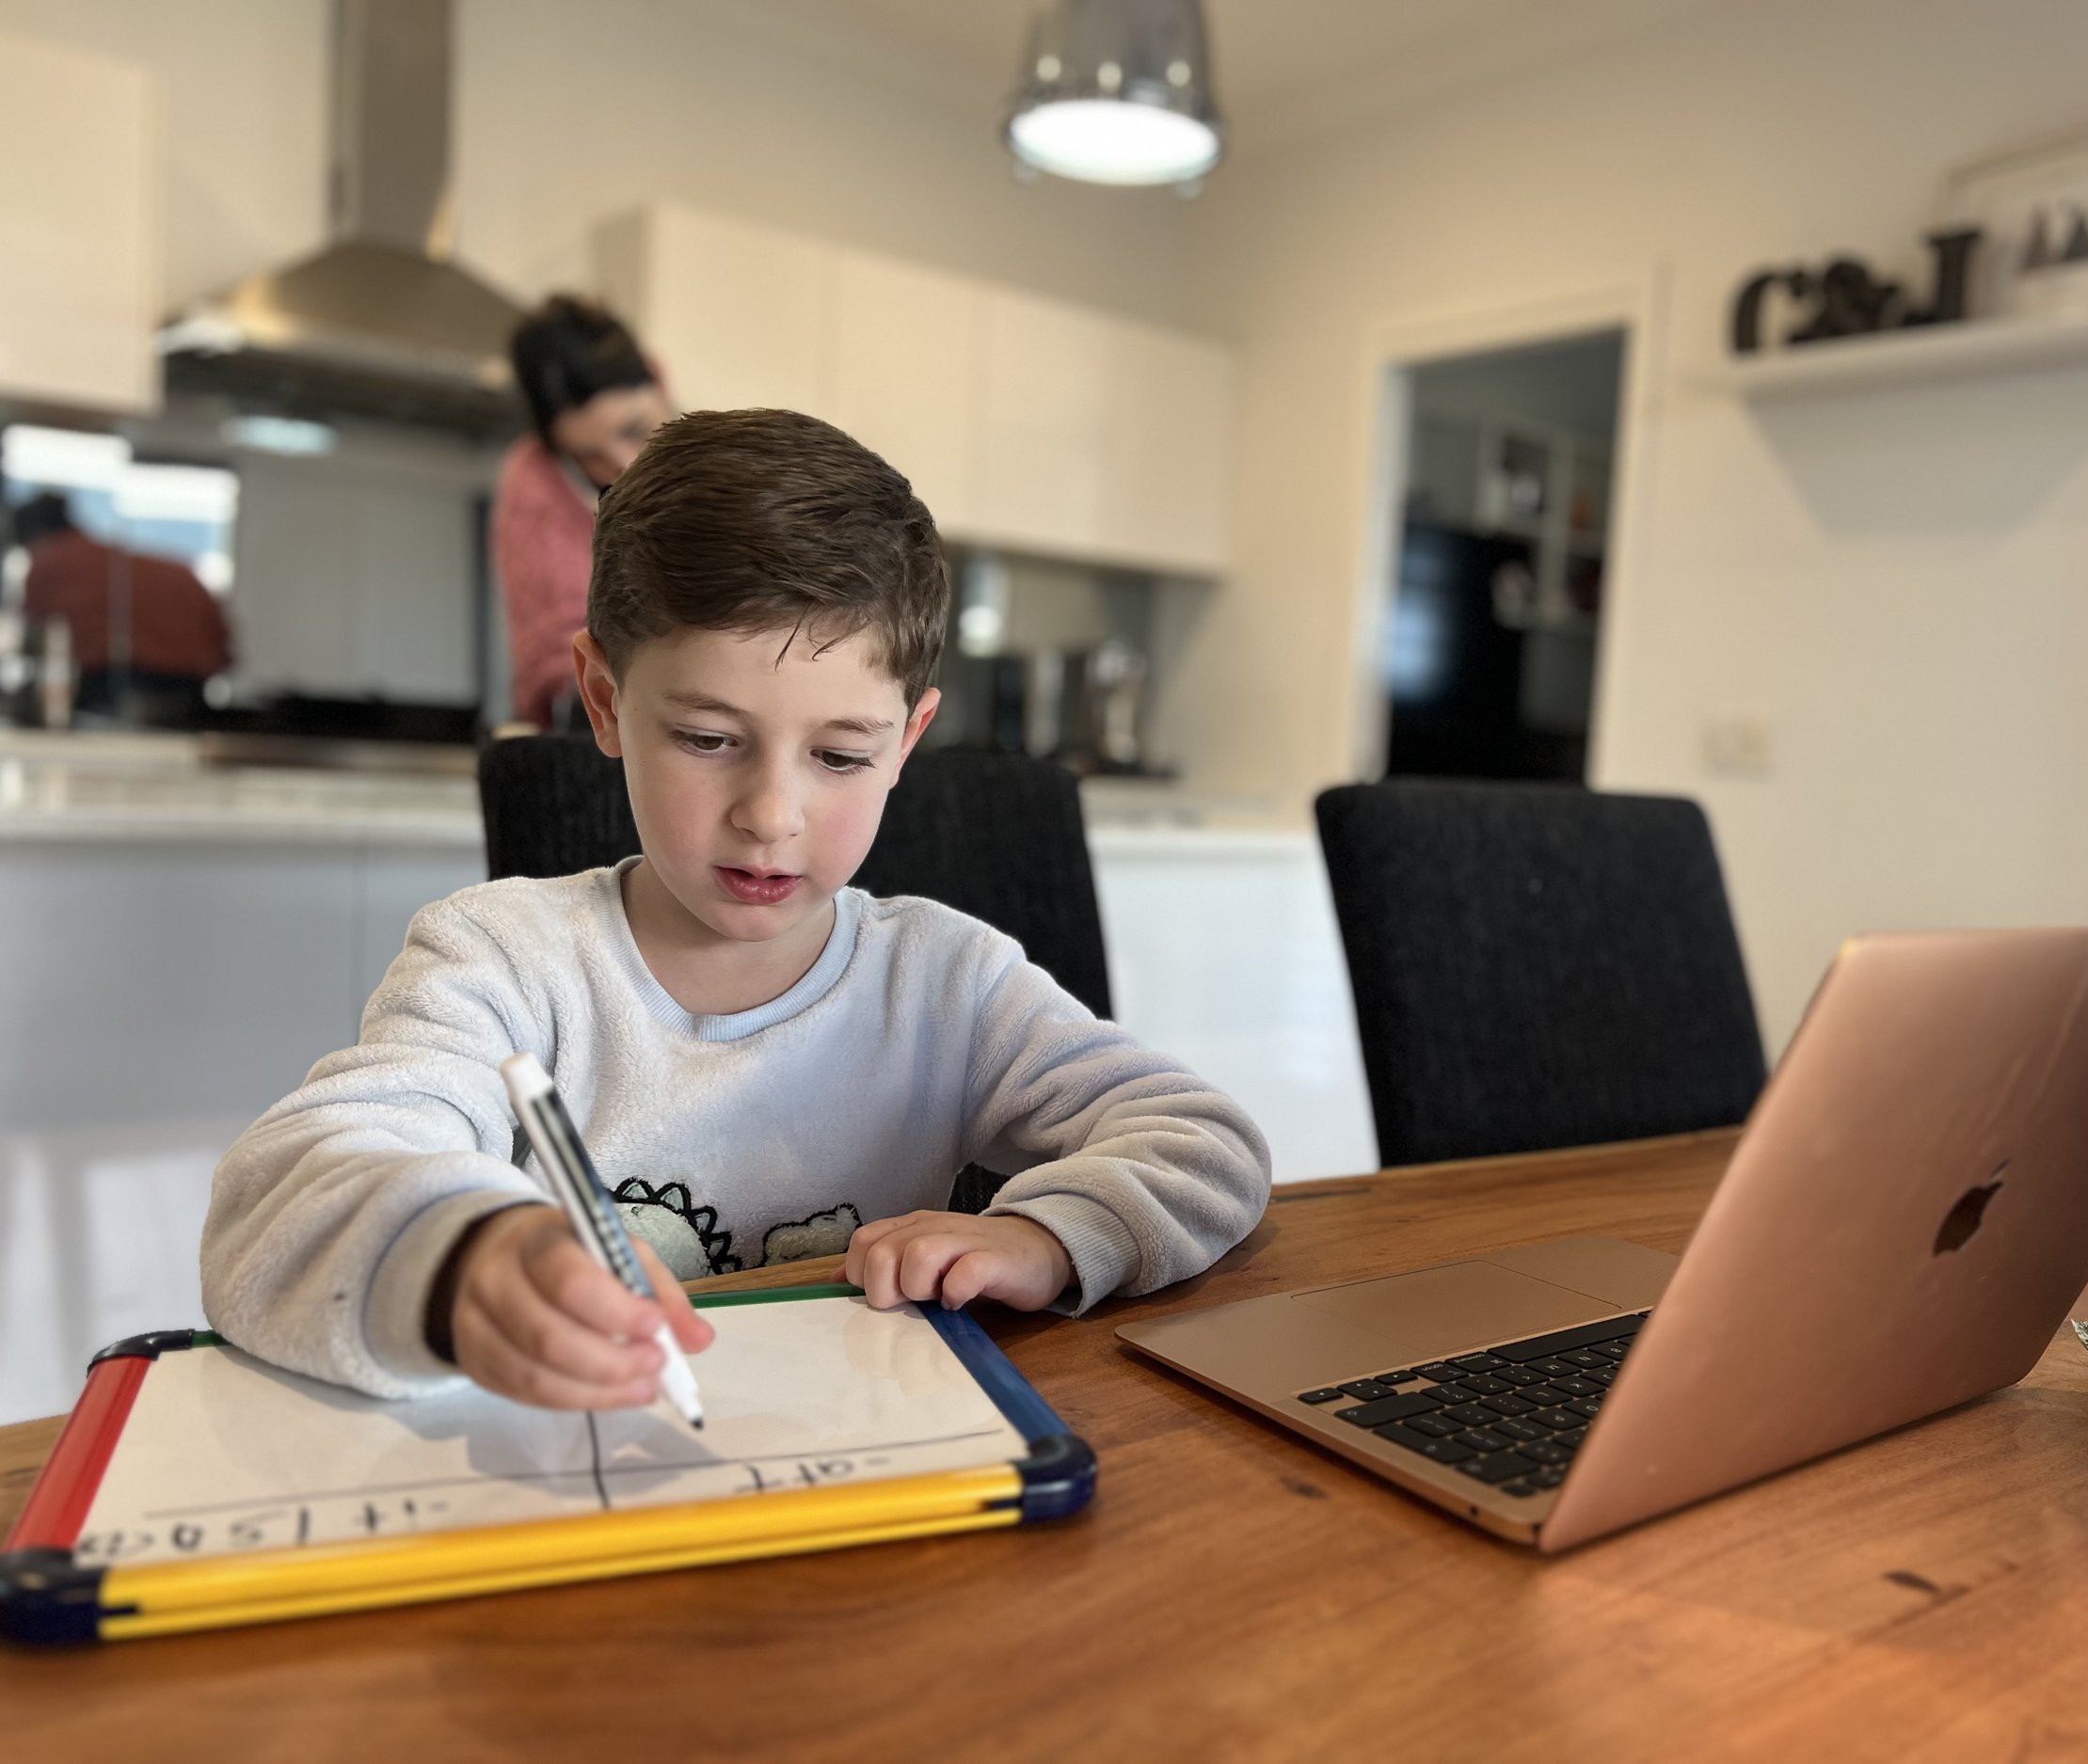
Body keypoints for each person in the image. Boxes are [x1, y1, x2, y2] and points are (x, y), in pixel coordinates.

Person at [202, 407, 1271, 1408]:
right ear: (605, 700)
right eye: (709, 739)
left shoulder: (947, 985)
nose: (770, 815)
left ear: (907, 742)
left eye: (841, 755)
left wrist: (1049, 1236)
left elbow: (1204, 1141)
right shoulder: (501, 962)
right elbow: (276, 1203)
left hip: (869, 1477)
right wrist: (459, 1257)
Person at [494, 296, 673, 730]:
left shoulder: (714, 449)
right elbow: (553, 657)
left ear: (659, 385)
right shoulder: (534, 486)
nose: (625, 465)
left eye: (634, 431)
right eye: (588, 454)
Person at [12, 490, 232, 723]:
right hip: (189, 703)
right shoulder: (178, 573)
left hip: (106, 698)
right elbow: (226, 656)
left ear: (33, 535)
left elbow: (31, 645)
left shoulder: (49, 562)